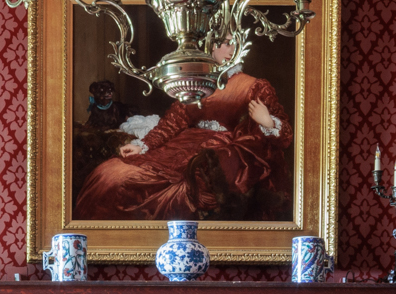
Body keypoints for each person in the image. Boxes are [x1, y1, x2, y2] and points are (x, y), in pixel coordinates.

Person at [73, 67, 290, 223]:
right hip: (182, 144)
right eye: (216, 43)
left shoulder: (253, 86)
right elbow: (173, 122)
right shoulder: (196, 82)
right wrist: (143, 145)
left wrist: (269, 122)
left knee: (163, 188)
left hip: (217, 151)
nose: (224, 48)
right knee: (109, 173)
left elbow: (284, 136)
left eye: (229, 42)